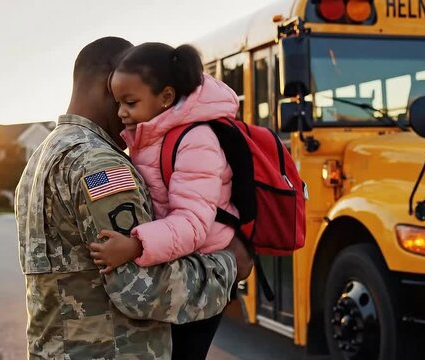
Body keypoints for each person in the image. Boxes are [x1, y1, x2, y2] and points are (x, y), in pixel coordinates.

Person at [14, 36, 252, 360]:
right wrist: (228, 265)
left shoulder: (42, 157)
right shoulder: (99, 163)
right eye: (126, 99)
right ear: (109, 83)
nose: (136, 115)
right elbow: (141, 289)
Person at [90, 42, 240, 360]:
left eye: (130, 102)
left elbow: (193, 222)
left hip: (203, 269)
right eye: (118, 102)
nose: (120, 113)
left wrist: (135, 245)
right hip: (180, 260)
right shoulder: (152, 135)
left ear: (166, 97)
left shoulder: (196, 140)